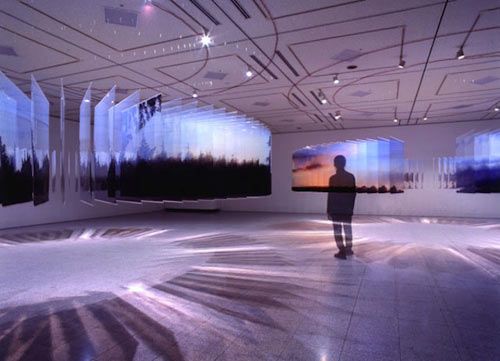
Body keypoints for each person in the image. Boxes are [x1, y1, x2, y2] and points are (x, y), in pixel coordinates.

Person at [327, 155, 356, 260]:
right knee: (348, 229)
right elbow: (353, 194)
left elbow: (330, 195)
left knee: (337, 230)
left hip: (336, 209)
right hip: (347, 209)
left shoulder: (332, 179)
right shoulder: (351, 177)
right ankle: (349, 249)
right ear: (345, 164)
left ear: (335, 164)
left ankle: (341, 251)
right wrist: (351, 208)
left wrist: (329, 210)